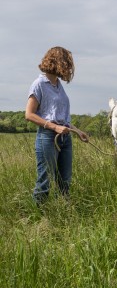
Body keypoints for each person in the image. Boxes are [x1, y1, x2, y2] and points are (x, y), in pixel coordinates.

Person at [25, 46, 89, 204]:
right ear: (56, 62)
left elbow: (60, 117)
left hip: (65, 138)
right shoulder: (39, 84)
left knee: (65, 181)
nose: (68, 67)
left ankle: (63, 213)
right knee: (44, 181)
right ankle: (38, 218)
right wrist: (54, 127)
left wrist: (78, 131)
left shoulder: (59, 86)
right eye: (66, 63)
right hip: (47, 137)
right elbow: (29, 114)